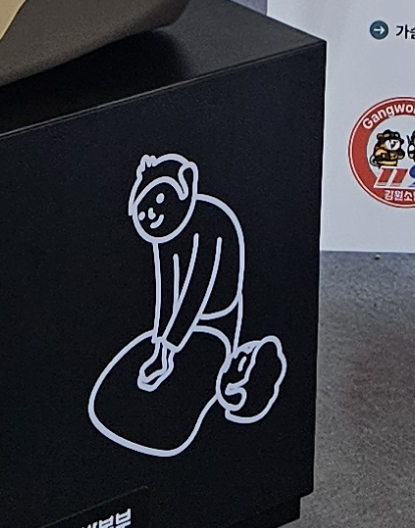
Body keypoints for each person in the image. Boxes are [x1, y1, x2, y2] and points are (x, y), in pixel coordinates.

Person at [86, 152, 284, 457]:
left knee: (189, 382)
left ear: (186, 185)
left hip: (216, 321)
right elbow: (167, 289)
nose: (152, 215)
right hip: (185, 326)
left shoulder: (212, 223)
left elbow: (196, 291)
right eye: (143, 212)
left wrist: (170, 344)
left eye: (159, 201)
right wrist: (160, 344)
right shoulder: (165, 235)